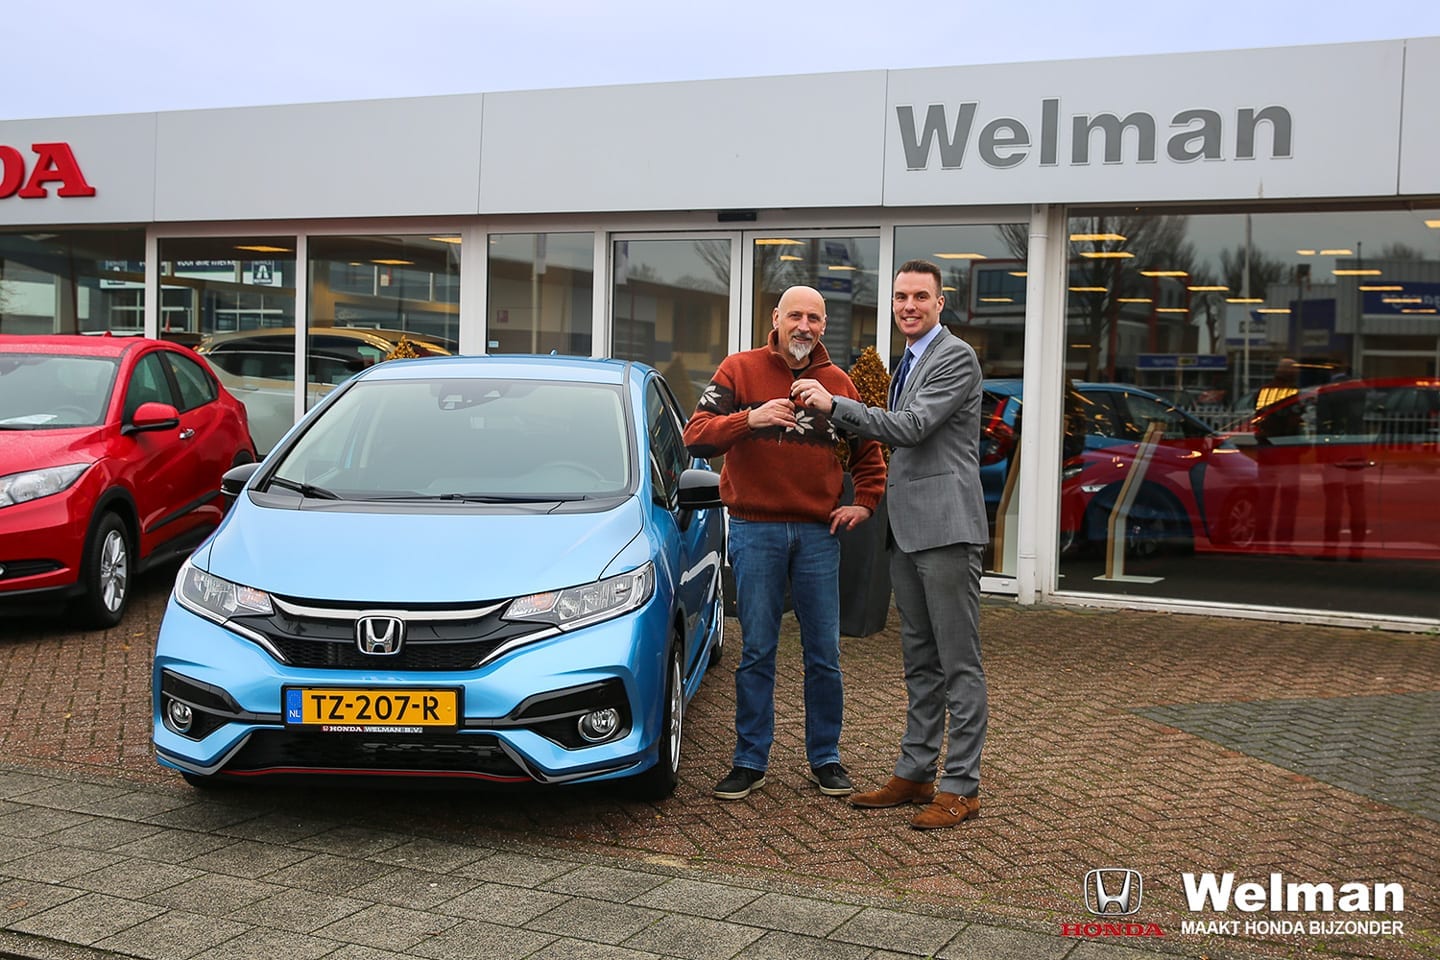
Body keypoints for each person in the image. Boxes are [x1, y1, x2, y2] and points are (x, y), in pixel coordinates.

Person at [790, 259, 988, 830]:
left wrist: (834, 405)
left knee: (959, 664)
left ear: (940, 303)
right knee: (920, 662)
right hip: (908, 530)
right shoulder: (908, 359)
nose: (909, 306)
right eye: (901, 297)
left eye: (920, 297)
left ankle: (962, 786)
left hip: (947, 530)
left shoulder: (954, 356)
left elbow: (913, 427)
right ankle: (915, 772)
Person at [683, 285, 887, 802]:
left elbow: (868, 451)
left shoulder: (837, 383)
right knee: (757, 650)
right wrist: (749, 419)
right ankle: (750, 761)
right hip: (756, 530)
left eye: (814, 318)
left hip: (819, 533)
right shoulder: (739, 369)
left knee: (824, 653)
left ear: (824, 326)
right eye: (795, 315)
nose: (804, 326)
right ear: (776, 318)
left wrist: (866, 502)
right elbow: (695, 435)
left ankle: (826, 758)